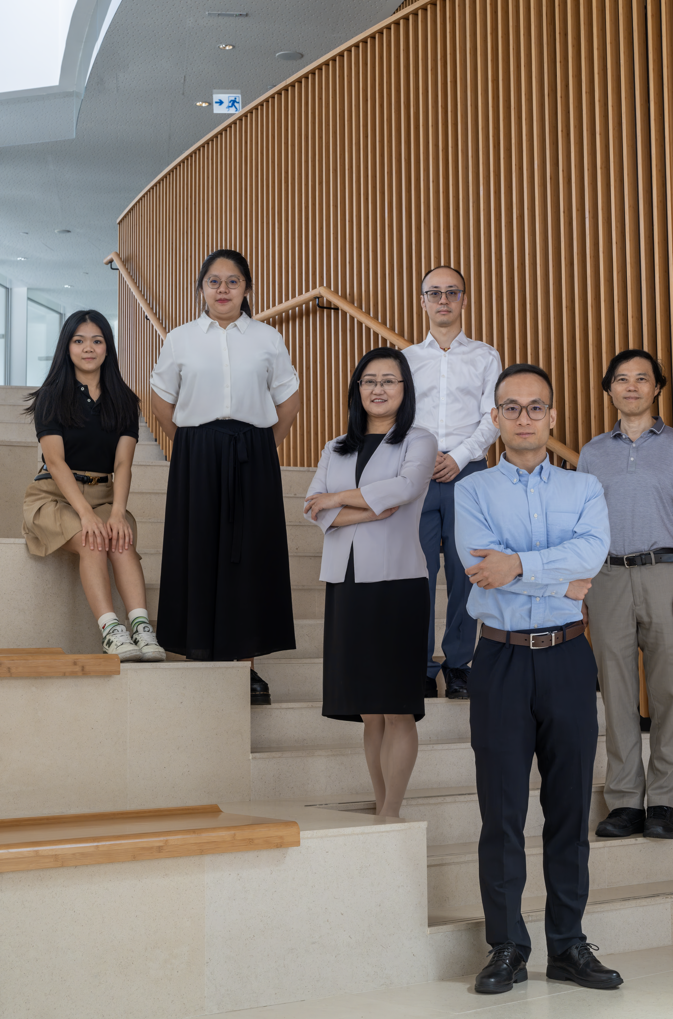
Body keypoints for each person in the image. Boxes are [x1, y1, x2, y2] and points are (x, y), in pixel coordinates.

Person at [455, 363, 622, 995]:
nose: (523, 418)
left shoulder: (585, 487)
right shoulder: (473, 491)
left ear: (552, 416)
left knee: (569, 808)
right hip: (498, 660)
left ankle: (568, 945)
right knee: (501, 812)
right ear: (495, 418)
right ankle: (507, 946)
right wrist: (561, 579)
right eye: (511, 407)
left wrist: (519, 565)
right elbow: (481, 569)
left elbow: (592, 555)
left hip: (568, 658)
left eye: (535, 407)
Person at [150, 249, 300, 703]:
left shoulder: (267, 338)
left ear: (246, 288)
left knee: (249, 557)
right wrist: (190, 445)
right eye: (213, 281)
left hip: (252, 451)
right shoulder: (180, 339)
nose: (223, 289)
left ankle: (246, 664)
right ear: (201, 289)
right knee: (198, 550)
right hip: (196, 451)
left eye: (233, 281)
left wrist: (263, 447)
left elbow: (289, 398)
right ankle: (200, 656)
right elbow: (160, 397)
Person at [578, 350, 673, 842]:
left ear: (657, 387)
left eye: (641, 378)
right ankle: (625, 801)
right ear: (609, 389)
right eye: (621, 379)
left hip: (665, 574)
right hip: (607, 577)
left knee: (669, 691)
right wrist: (582, 587)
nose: (631, 386)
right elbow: (584, 526)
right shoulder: (592, 452)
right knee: (616, 692)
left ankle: (663, 802)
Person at [304, 348, 437, 817]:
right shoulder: (335, 446)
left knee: (396, 706)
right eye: (369, 381)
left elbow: (404, 490)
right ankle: (381, 806)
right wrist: (367, 508)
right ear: (357, 389)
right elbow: (313, 507)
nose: (378, 389)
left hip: (398, 583)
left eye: (389, 381)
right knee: (369, 710)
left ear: (405, 389)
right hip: (346, 583)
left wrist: (338, 499)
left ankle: (392, 811)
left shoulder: (419, 440)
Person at [23, 310, 165, 661]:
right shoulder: (51, 396)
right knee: (93, 540)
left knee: (120, 538)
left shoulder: (125, 400)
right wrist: (86, 514)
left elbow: (123, 464)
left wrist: (117, 513)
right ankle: (111, 632)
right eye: (79, 340)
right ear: (67, 347)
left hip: (105, 495)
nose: (88, 348)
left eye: (97, 341)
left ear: (107, 348)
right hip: (54, 496)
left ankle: (142, 628)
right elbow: (55, 462)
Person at [403, 266, 501, 700]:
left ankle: (459, 665)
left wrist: (458, 457)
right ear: (423, 301)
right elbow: (398, 416)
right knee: (417, 572)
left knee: (465, 573)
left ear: (464, 299)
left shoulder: (485, 356)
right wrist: (422, 459)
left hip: (470, 474)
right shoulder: (406, 359)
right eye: (434, 293)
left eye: (452, 292)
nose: (443, 300)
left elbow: (492, 417)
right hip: (418, 476)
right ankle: (420, 667)